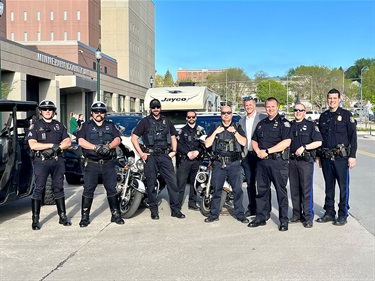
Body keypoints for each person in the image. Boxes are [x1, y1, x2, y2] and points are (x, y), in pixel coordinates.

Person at [131, 99, 184, 220]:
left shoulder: (167, 121)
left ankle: (176, 210)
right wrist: (142, 154)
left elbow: (173, 137)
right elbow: (134, 138)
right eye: (153, 107)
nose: (156, 109)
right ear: (150, 109)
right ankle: (154, 211)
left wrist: (174, 152)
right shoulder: (144, 122)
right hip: (150, 156)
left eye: (158, 107)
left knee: (172, 183)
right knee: (151, 184)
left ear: (160, 108)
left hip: (165, 156)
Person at [76, 101, 124, 227]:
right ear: (92, 113)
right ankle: (85, 217)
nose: (99, 114)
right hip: (92, 164)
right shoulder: (85, 126)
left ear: (105, 114)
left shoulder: (110, 125)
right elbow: (80, 141)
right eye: (96, 112)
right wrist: (95, 148)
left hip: (108, 163)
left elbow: (118, 139)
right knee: (88, 190)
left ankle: (116, 214)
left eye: (101, 112)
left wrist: (109, 147)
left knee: (111, 189)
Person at [27, 100, 72, 230]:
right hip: (41, 161)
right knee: (39, 189)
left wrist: (54, 150)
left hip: (57, 160)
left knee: (58, 187)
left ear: (54, 111)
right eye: (45, 109)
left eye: (50, 109)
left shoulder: (59, 125)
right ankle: (35, 220)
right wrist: (52, 145)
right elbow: (33, 144)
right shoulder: (35, 126)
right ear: (41, 111)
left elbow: (67, 142)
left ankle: (62, 217)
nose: (47, 111)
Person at [248, 97, 292, 231]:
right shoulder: (262, 123)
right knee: (261, 191)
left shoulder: (284, 123)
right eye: (268, 107)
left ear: (277, 107)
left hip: (277, 162)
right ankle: (261, 216)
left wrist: (268, 151)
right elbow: (254, 140)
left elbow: (287, 142)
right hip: (262, 162)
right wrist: (257, 151)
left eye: (273, 106)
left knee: (281, 192)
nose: (270, 109)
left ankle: (283, 220)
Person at [316, 88, 357, 226]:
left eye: (334, 98)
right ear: (327, 99)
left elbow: (353, 138)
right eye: (330, 98)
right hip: (326, 157)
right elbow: (319, 138)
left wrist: (352, 156)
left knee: (343, 187)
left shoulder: (346, 115)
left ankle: (342, 214)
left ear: (339, 99)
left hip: (341, 158)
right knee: (329, 186)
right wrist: (318, 155)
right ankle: (329, 212)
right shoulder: (323, 116)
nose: (332, 100)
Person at [204, 105, 248, 223]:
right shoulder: (215, 127)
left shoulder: (237, 127)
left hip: (234, 163)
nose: (226, 115)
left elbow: (244, 142)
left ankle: (240, 214)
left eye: (228, 113)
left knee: (238, 190)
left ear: (232, 114)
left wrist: (234, 132)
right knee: (217, 190)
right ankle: (214, 214)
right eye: (224, 113)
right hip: (219, 163)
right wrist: (215, 133)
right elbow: (207, 144)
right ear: (221, 115)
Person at [289, 103, 322, 228]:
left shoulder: (311, 126)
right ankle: (297, 214)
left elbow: (318, 142)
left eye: (300, 110)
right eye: (296, 110)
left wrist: (305, 147)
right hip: (292, 161)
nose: (298, 112)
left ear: (304, 112)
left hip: (305, 161)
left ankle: (308, 216)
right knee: (294, 189)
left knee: (306, 190)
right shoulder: (289, 126)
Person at [239, 96, 267, 217]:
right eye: (246, 105)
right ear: (244, 106)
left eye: (250, 104)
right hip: (247, 155)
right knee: (250, 184)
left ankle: (263, 209)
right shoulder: (241, 121)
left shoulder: (263, 118)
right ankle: (252, 208)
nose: (248, 107)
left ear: (254, 105)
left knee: (261, 184)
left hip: (260, 155)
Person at [176, 111, 206, 210]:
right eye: (189, 117)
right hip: (185, 160)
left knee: (194, 183)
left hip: (197, 160)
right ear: (186, 118)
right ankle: (177, 204)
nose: (191, 119)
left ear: (196, 117)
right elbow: (178, 145)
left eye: (193, 117)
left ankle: (192, 203)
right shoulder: (182, 131)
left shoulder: (201, 130)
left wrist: (198, 151)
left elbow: (205, 144)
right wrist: (187, 153)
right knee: (181, 183)